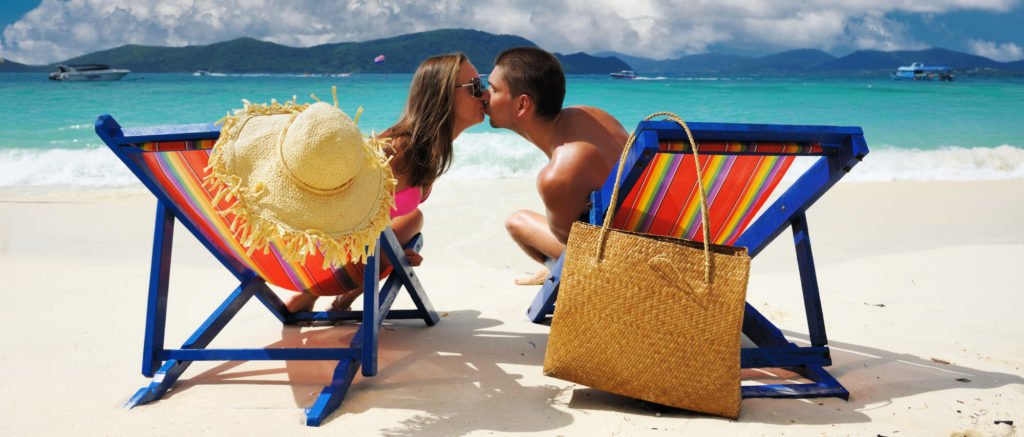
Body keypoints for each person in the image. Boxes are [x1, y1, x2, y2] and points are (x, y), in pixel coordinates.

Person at [286, 52, 487, 312]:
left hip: (351, 256)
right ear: (443, 95)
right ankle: (313, 294)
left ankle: (341, 299)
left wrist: (394, 247)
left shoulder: (427, 152)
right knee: (408, 222)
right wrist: (391, 250)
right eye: (476, 87)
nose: (485, 95)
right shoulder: (396, 150)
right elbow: (335, 210)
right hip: (324, 260)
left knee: (413, 219)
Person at [483, 47, 629, 285]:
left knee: (517, 222)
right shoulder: (593, 116)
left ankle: (554, 273)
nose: (484, 95)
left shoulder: (558, 175)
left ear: (522, 105)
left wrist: (557, 265)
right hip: (656, 238)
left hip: (620, 263)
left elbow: (573, 248)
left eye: (493, 88)